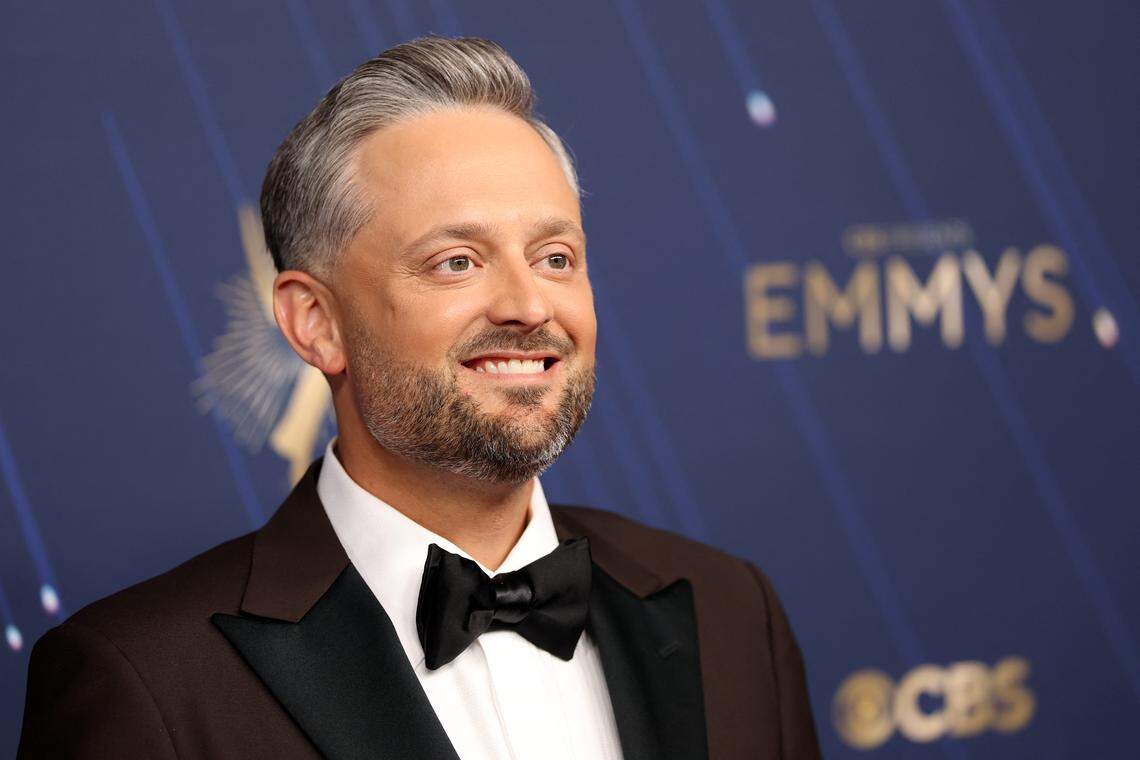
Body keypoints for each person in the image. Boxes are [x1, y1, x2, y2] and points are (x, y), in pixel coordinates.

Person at [18, 36, 820, 759]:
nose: (529, 307)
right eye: (457, 262)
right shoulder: (145, 681)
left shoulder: (730, 613)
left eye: (555, 257)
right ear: (316, 322)